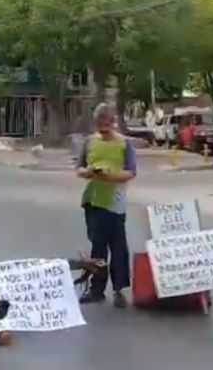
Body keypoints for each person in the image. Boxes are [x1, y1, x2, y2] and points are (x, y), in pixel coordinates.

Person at [75, 102, 136, 307]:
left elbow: (131, 171)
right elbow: (79, 168)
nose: (104, 125)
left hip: (115, 202)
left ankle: (119, 289)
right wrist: (88, 172)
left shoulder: (124, 143)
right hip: (93, 200)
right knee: (98, 247)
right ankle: (96, 289)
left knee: (118, 247)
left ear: (114, 122)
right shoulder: (89, 142)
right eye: (100, 122)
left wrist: (112, 176)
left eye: (108, 121)